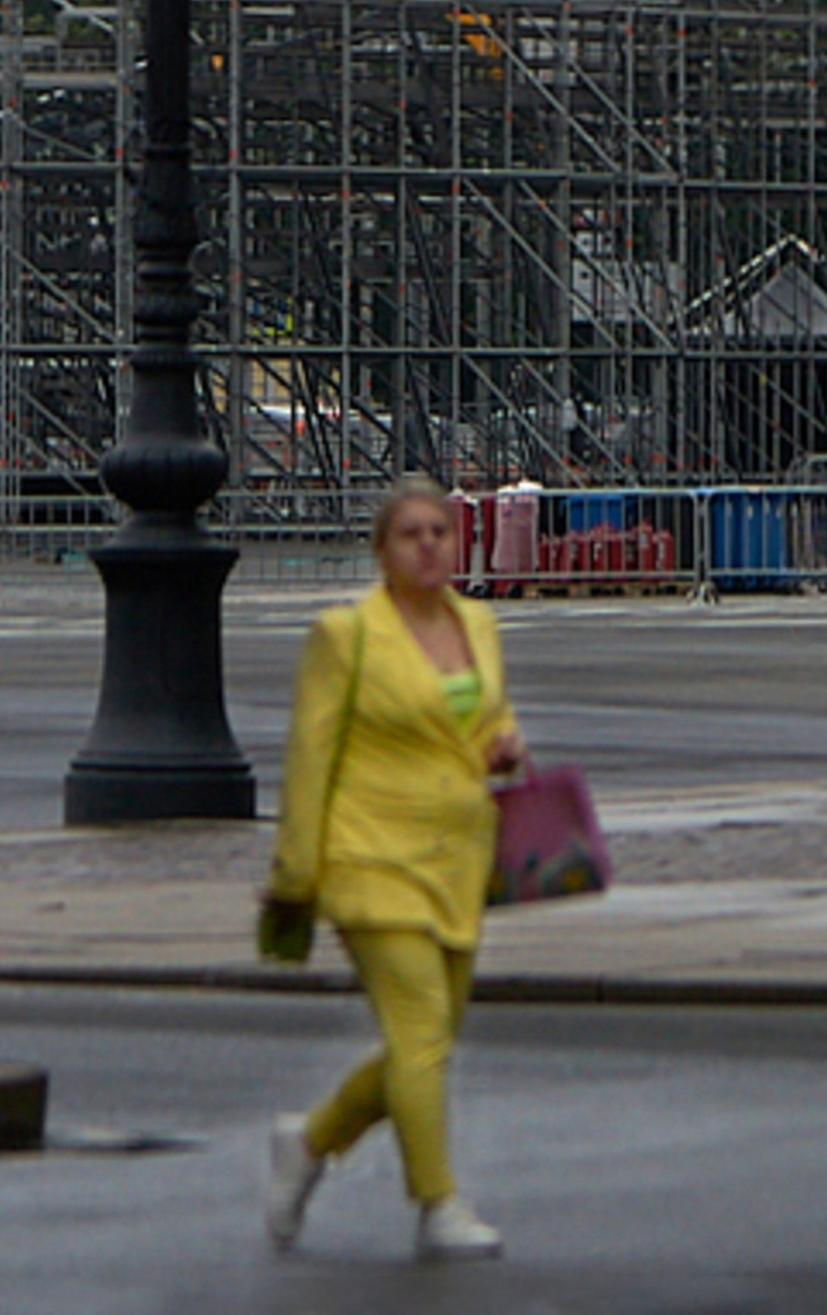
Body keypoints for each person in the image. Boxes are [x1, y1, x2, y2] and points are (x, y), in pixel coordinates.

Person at [261, 474, 524, 1261]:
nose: (428, 546)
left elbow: (489, 718)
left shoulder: (477, 622)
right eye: (410, 534)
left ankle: (307, 1143)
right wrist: (297, 876)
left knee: (428, 1041)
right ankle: (438, 1203)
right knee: (419, 1032)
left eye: (439, 531)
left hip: (456, 858)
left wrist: (505, 745)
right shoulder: (348, 638)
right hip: (369, 858)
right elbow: (311, 758)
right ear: (381, 551)